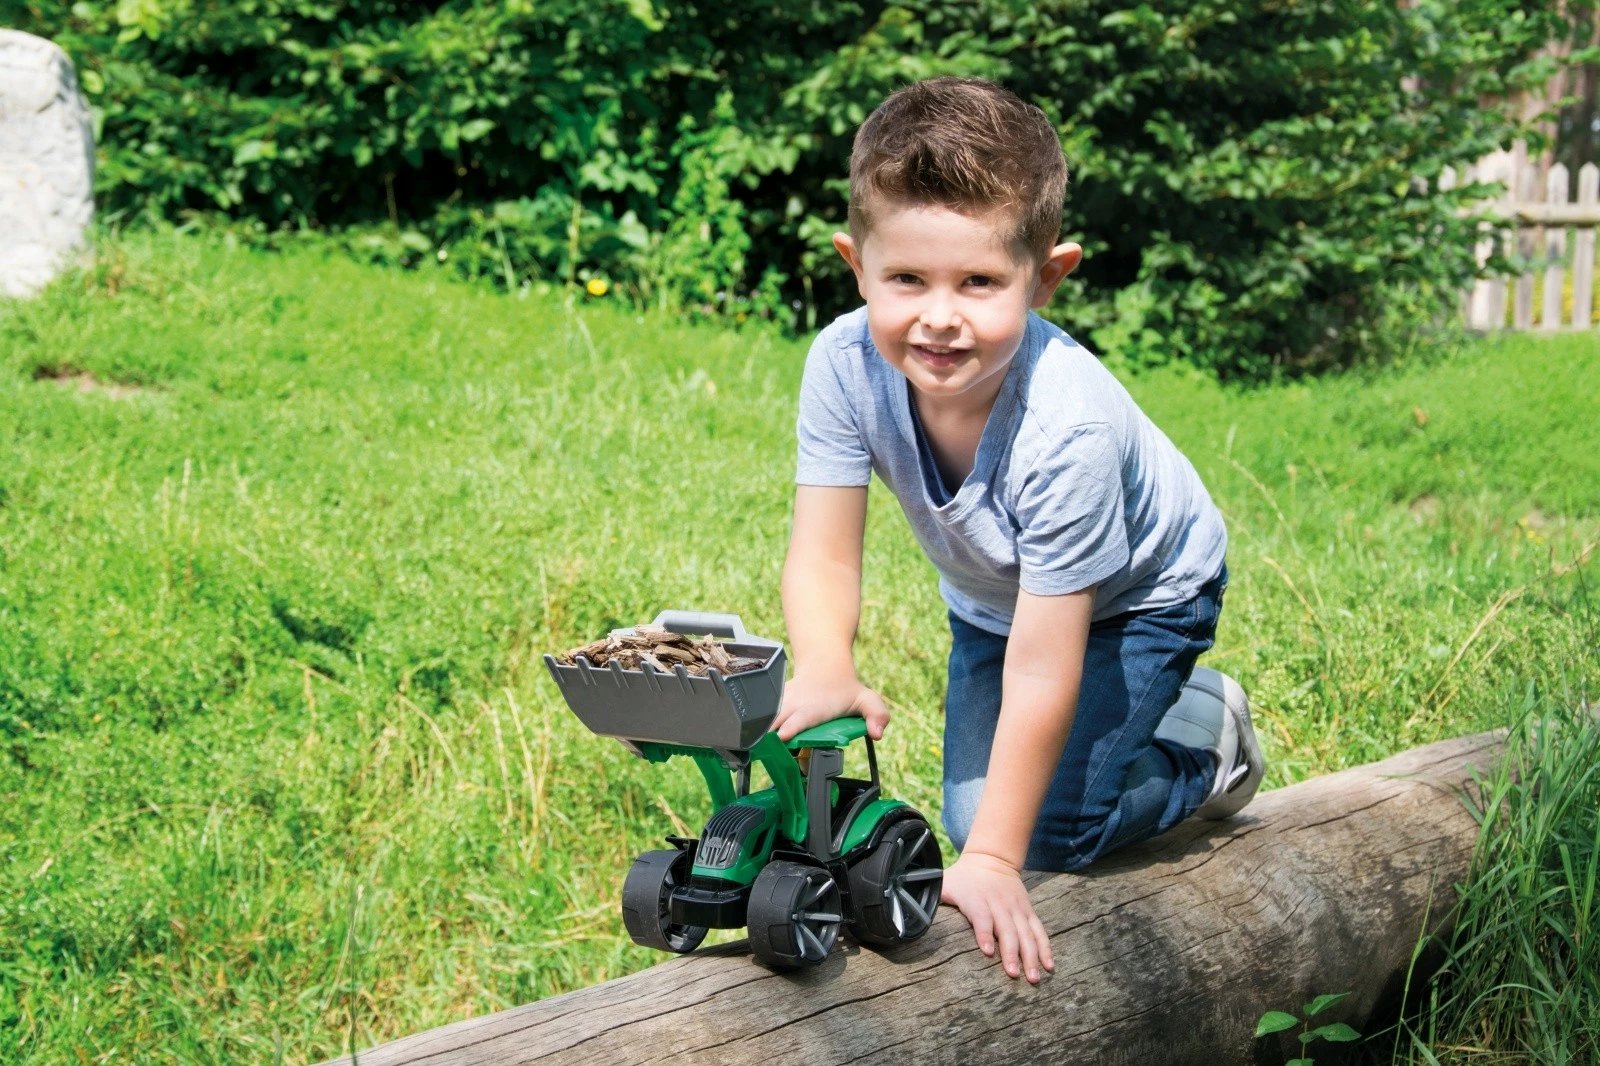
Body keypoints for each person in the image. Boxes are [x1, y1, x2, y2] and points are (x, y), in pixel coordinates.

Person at [771, 76, 1264, 985]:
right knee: (972, 813)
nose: (940, 316)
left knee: (1042, 837)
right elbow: (825, 551)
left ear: (1048, 277)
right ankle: (1111, 746)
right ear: (856, 265)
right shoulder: (843, 364)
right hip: (998, 597)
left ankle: (1205, 748)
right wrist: (826, 662)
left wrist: (997, 862)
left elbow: (1044, 664)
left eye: (980, 282)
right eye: (907, 279)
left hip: (1142, 596)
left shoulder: (1065, 427)